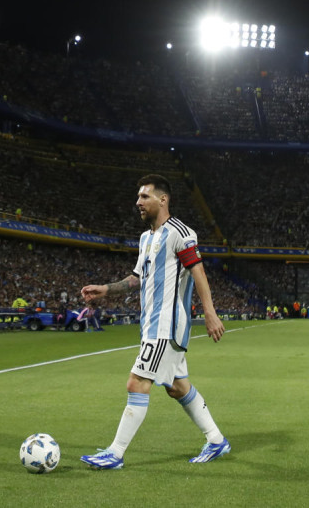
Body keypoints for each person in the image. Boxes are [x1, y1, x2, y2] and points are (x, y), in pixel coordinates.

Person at [79, 174, 229, 469]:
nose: (138, 202)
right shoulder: (146, 239)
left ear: (163, 199)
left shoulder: (181, 232)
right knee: (177, 387)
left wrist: (210, 313)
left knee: (137, 383)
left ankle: (116, 452)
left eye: (144, 196)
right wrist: (106, 290)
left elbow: (198, 272)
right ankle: (216, 440)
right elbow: (136, 279)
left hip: (166, 326)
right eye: (138, 197)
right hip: (151, 325)